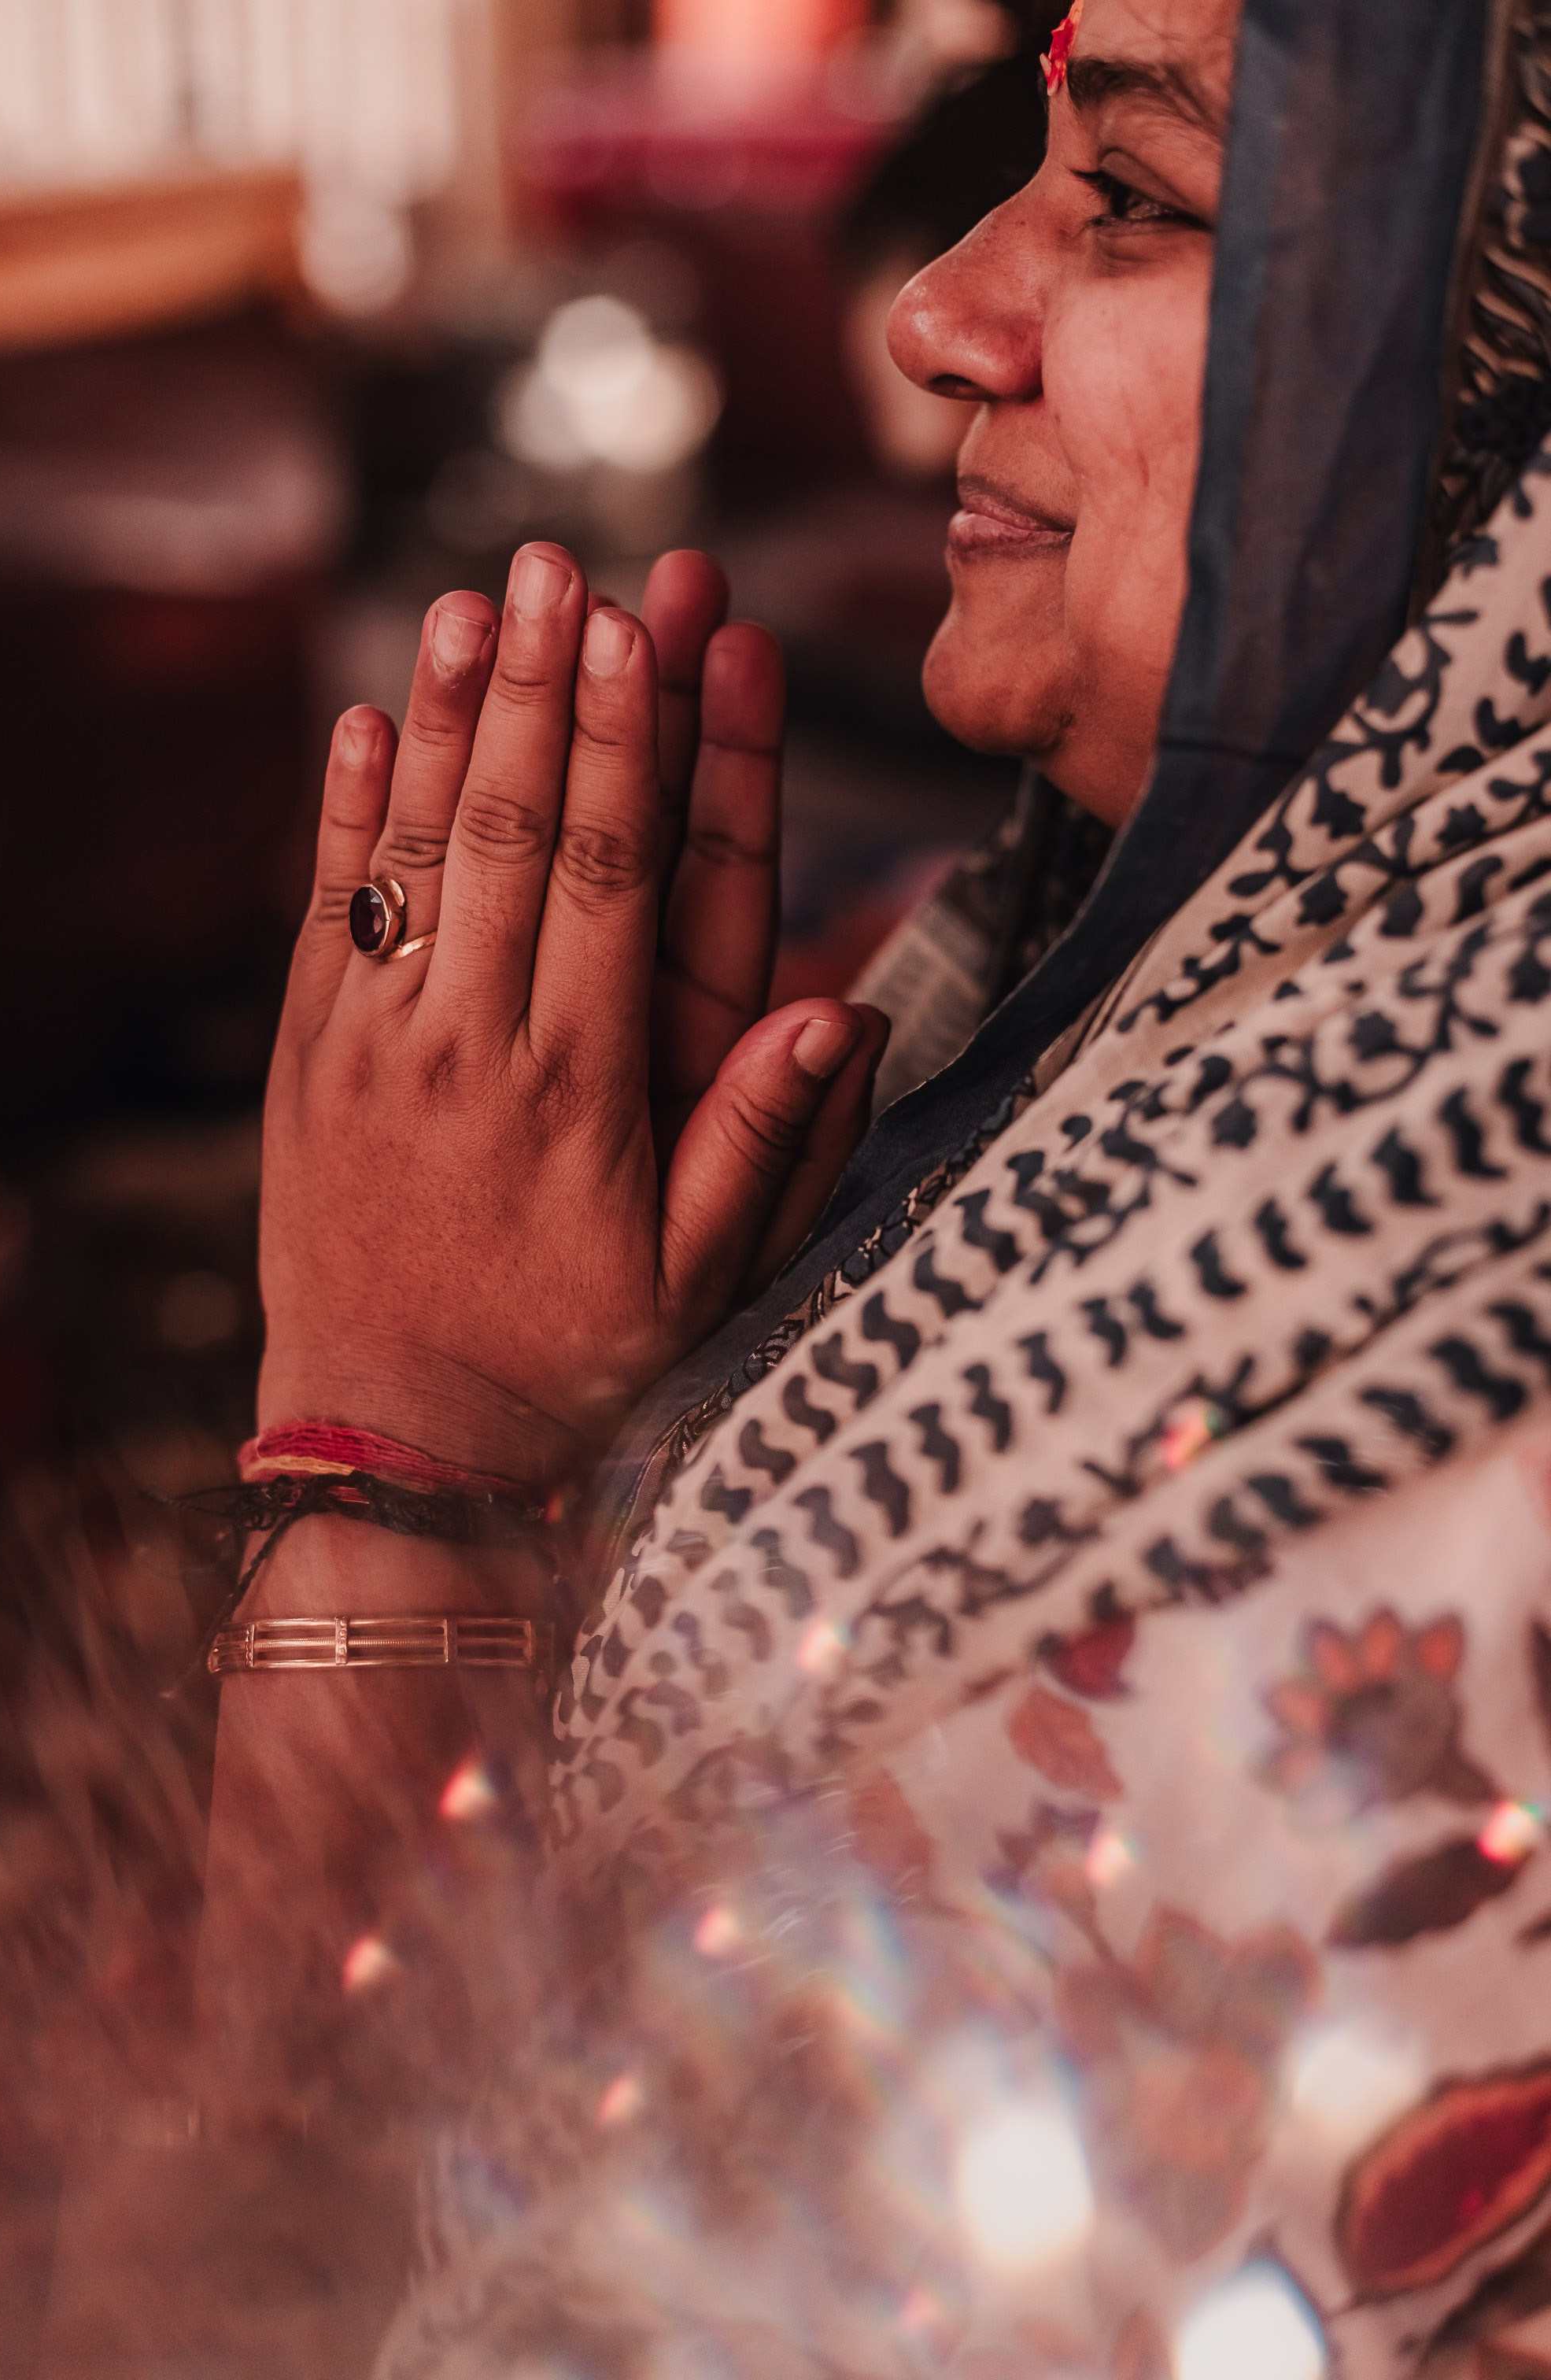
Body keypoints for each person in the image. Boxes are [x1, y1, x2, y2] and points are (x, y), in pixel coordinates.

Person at [196, 0, 1551, 2369]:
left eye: (1132, 194)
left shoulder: (1340, 1507)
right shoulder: (1160, 988)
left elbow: (348, 2304)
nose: (937, 312)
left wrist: (388, 1461)